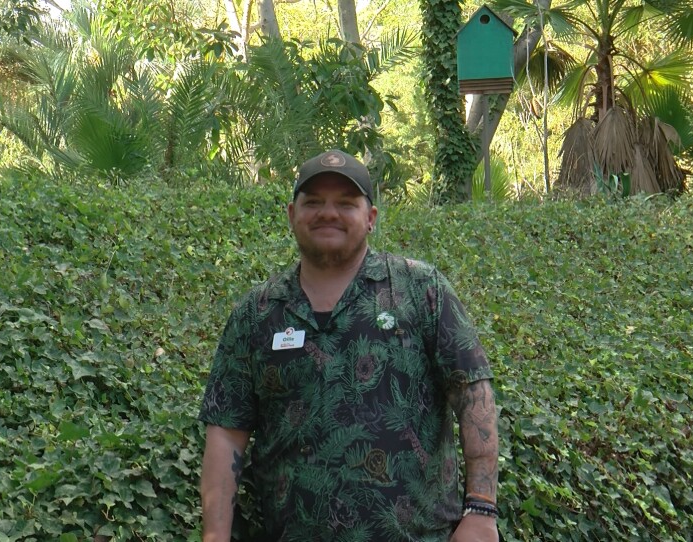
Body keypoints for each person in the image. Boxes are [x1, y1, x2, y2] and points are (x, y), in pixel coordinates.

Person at [199, 149, 499, 542]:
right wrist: (215, 534)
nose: (328, 213)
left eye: (345, 203)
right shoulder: (257, 313)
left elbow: (473, 393)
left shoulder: (421, 290)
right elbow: (226, 432)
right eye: (314, 202)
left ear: (370, 218)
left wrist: (481, 509)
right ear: (292, 214)